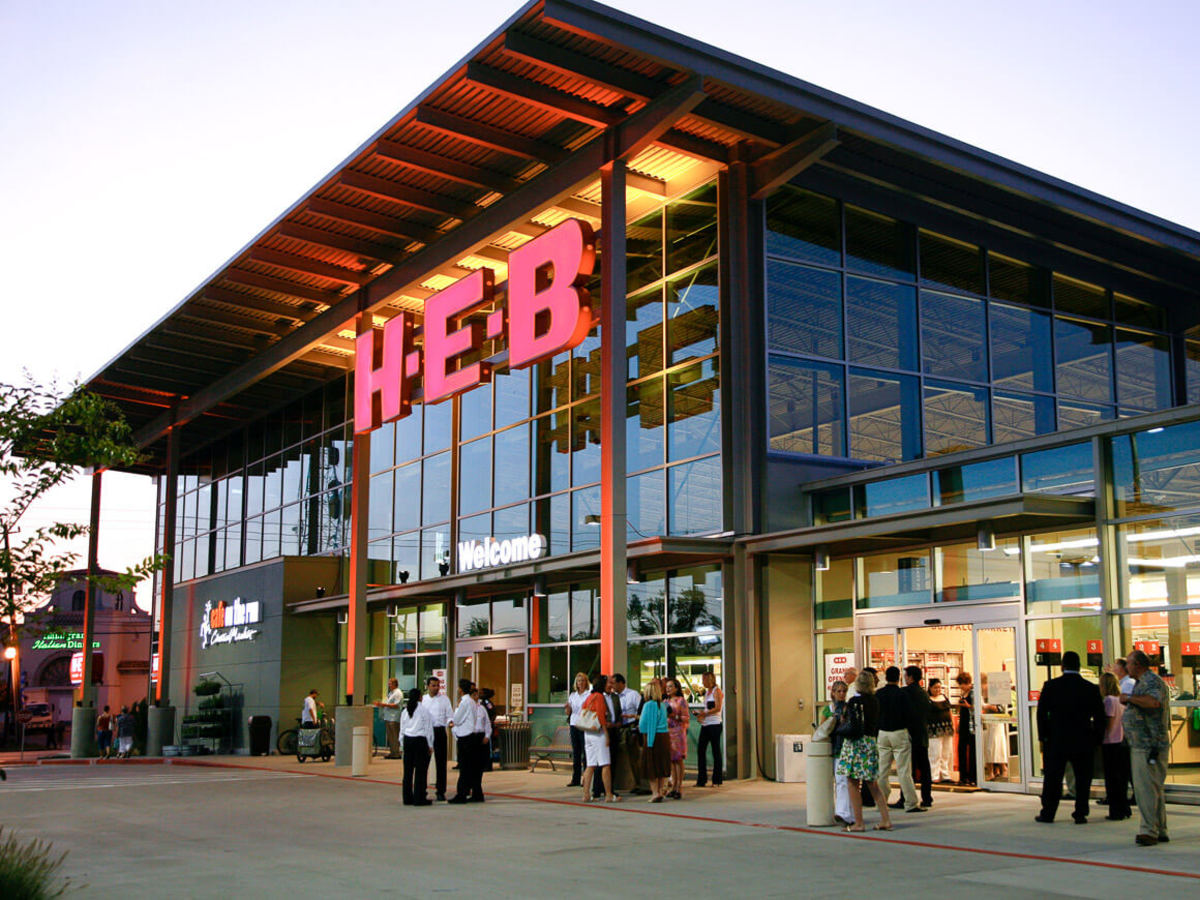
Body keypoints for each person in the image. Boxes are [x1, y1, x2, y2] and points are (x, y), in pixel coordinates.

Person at [1035, 650, 1105, 824]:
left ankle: (1048, 812)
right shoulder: (1090, 688)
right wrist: (1096, 738)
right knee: (1082, 778)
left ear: (1062, 666)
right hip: (1082, 738)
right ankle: (1080, 812)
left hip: (1057, 739)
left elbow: (1041, 714)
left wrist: (1043, 737)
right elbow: (1099, 716)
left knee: (1053, 777)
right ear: (1079, 666)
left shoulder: (1051, 686)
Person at [1121, 648, 1170, 845]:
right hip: (1145, 743)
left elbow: (1153, 702)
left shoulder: (1151, 682)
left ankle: (1149, 831)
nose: (1126, 667)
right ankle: (1160, 828)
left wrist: (1129, 698)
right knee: (1153, 788)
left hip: (1148, 744)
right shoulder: (1143, 682)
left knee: (1145, 790)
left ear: (1138, 665)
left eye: (1129, 663)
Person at [836, 670, 892, 832]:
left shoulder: (854, 702)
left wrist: (842, 725)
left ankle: (858, 822)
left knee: (852, 782)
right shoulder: (875, 701)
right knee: (872, 783)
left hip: (855, 743)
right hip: (870, 742)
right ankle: (885, 819)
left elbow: (851, 724)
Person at [876, 666, 922, 813]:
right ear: (899, 678)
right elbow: (910, 715)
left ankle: (881, 802)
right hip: (899, 732)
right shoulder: (902, 694)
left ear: (886, 677)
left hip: (883, 733)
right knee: (903, 770)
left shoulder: (879, 694)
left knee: (882, 770)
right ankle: (910, 803)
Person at [1098, 671, 1131, 821]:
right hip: (1122, 741)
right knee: (1121, 778)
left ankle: (1116, 811)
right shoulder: (1120, 700)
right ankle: (1124, 808)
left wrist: (1100, 735)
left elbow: (1109, 723)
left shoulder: (1109, 701)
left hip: (1110, 742)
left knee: (1112, 779)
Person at [581, 674, 618, 803]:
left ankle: (586, 794)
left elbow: (583, 710)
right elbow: (601, 716)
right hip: (598, 732)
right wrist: (606, 733)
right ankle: (608, 794)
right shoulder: (600, 697)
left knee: (590, 764)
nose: (610, 685)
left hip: (588, 732)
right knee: (605, 764)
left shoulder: (589, 696)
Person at [821, 680, 853, 825]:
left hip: (843, 748)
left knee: (842, 781)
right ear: (833, 693)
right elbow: (822, 730)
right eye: (838, 691)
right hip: (831, 748)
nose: (841, 694)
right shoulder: (828, 710)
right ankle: (842, 811)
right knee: (837, 781)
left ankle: (843, 812)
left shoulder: (848, 709)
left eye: (844, 691)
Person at [902, 666, 933, 809]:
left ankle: (906, 797)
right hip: (921, 734)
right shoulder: (923, 693)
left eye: (906, 676)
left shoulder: (905, 693)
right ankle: (927, 797)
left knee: (908, 769)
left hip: (908, 734)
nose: (904, 678)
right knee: (924, 767)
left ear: (910, 677)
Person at [448, 678, 483, 804]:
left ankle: (461, 794)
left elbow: (457, 720)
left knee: (464, 767)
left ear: (461, 689)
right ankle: (476, 793)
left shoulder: (464, 702)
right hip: (471, 736)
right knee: (471, 767)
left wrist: (453, 721)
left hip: (465, 737)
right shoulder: (472, 702)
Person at [612, 674, 647, 794]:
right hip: (618, 728)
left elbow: (641, 711)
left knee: (634, 757)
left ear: (621, 683)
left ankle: (640, 783)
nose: (612, 686)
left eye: (614, 683)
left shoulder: (633, 694)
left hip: (631, 727)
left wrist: (636, 725)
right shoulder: (613, 697)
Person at [638, 679, 671, 802]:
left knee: (651, 766)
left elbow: (649, 724)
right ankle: (661, 790)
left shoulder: (649, 705)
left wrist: (649, 743)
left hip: (653, 737)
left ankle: (655, 792)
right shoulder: (662, 705)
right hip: (663, 737)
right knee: (661, 766)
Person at [421, 676, 453, 801]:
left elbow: (449, 715)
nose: (436, 688)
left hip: (439, 731)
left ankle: (440, 791)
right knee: (424, 762)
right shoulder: (423, 700)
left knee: (441, 762)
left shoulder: (444, 699)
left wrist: (450, 722)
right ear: (428, 686)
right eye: (433, 685)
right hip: (426, 732)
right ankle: (421, 790)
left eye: (437, 685)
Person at [400, 688, 434, 806]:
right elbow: (428, 729)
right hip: (420, 741)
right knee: (420, 771)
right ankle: (419, 798)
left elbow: (402, 729)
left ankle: (407, 797)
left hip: (408, 740)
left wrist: (402, 744)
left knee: (408, 771)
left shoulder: (405, 711)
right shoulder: (424, 710)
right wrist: (430, 744)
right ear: (420, 697)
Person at [694, 671, 724, 788]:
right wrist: (700, 714)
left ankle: (717, 779)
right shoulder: (707, 692)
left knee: (715, 750)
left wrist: (704, 714)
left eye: (704, 680)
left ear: (710, 680)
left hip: (715, 724)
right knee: (701, 750)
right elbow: (707, 708)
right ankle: (702, 779)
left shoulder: (717, 691)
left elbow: (717, 708)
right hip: (706, 724)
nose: (703, 682)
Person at [980, 672, 1010, 781]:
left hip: (994, 721)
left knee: (992, 746)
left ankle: (996, 770)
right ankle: (998, 770)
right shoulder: (986, 691)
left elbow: (998, 708)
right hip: (989, 721)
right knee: (993, 745)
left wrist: (986, 706)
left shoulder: (992, 692)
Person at [664, 677, 690, 800]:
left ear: (676, 688)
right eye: (667, 687)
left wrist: (674, 716)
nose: (668, 689)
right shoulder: (665, 701)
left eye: (670, 686)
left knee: (678, 759)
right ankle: (673, 786)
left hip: (678, 732)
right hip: (668, 732)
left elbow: (686, 717)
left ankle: (679, 787)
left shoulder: (681, 701)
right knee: (671, 761)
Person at [564, 672, 590, 788]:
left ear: (586, 682)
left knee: (585, 752)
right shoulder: (573, 695)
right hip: (574, 724)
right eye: (579, 681)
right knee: (576, 753)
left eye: (583, 680)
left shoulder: (588, 694)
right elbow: (568, 713)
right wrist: (567, 708)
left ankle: (586, 778)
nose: (581, 683)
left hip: (584, 725)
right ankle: (575, 778)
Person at [926, 679, 954, 783]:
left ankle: (945, 774)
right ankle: (934, 775)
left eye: (939, 687)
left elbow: (949, 711)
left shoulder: (944, 697)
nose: (938, 690)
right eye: (935, 688)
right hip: (933, 730)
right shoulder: (927, 699)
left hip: (947, 729)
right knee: (935, 753)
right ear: (930, 688)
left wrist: (952, 725)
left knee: (946, 753)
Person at [955, 672, 976, 786]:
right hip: (963, 723)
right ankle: (963, 776)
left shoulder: (973, 692)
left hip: (971, 725)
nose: (961, 686)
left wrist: (968, 706)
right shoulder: (964, 693)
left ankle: (973, 776)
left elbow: (977, 708)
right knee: (961, 750)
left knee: (972, 751)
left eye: (962, 684)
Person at [374, 677, 404, 759]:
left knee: (394, 736)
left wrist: (384, 705)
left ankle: (396, 753)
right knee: (390, 736)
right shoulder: (391, 693)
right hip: (388, 717)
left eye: (390, 684)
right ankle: (393, 752)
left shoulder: (398, 693)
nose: (389, 685)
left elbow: (397, 705)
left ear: (394, 684)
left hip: (394, 718)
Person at [473, 686, 494, 776]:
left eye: (480, 693)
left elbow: (492, 712)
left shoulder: (487, 703)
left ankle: (488, 765)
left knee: (487, 749)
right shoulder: (479, 704)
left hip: (486, 728)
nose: (479, 695)